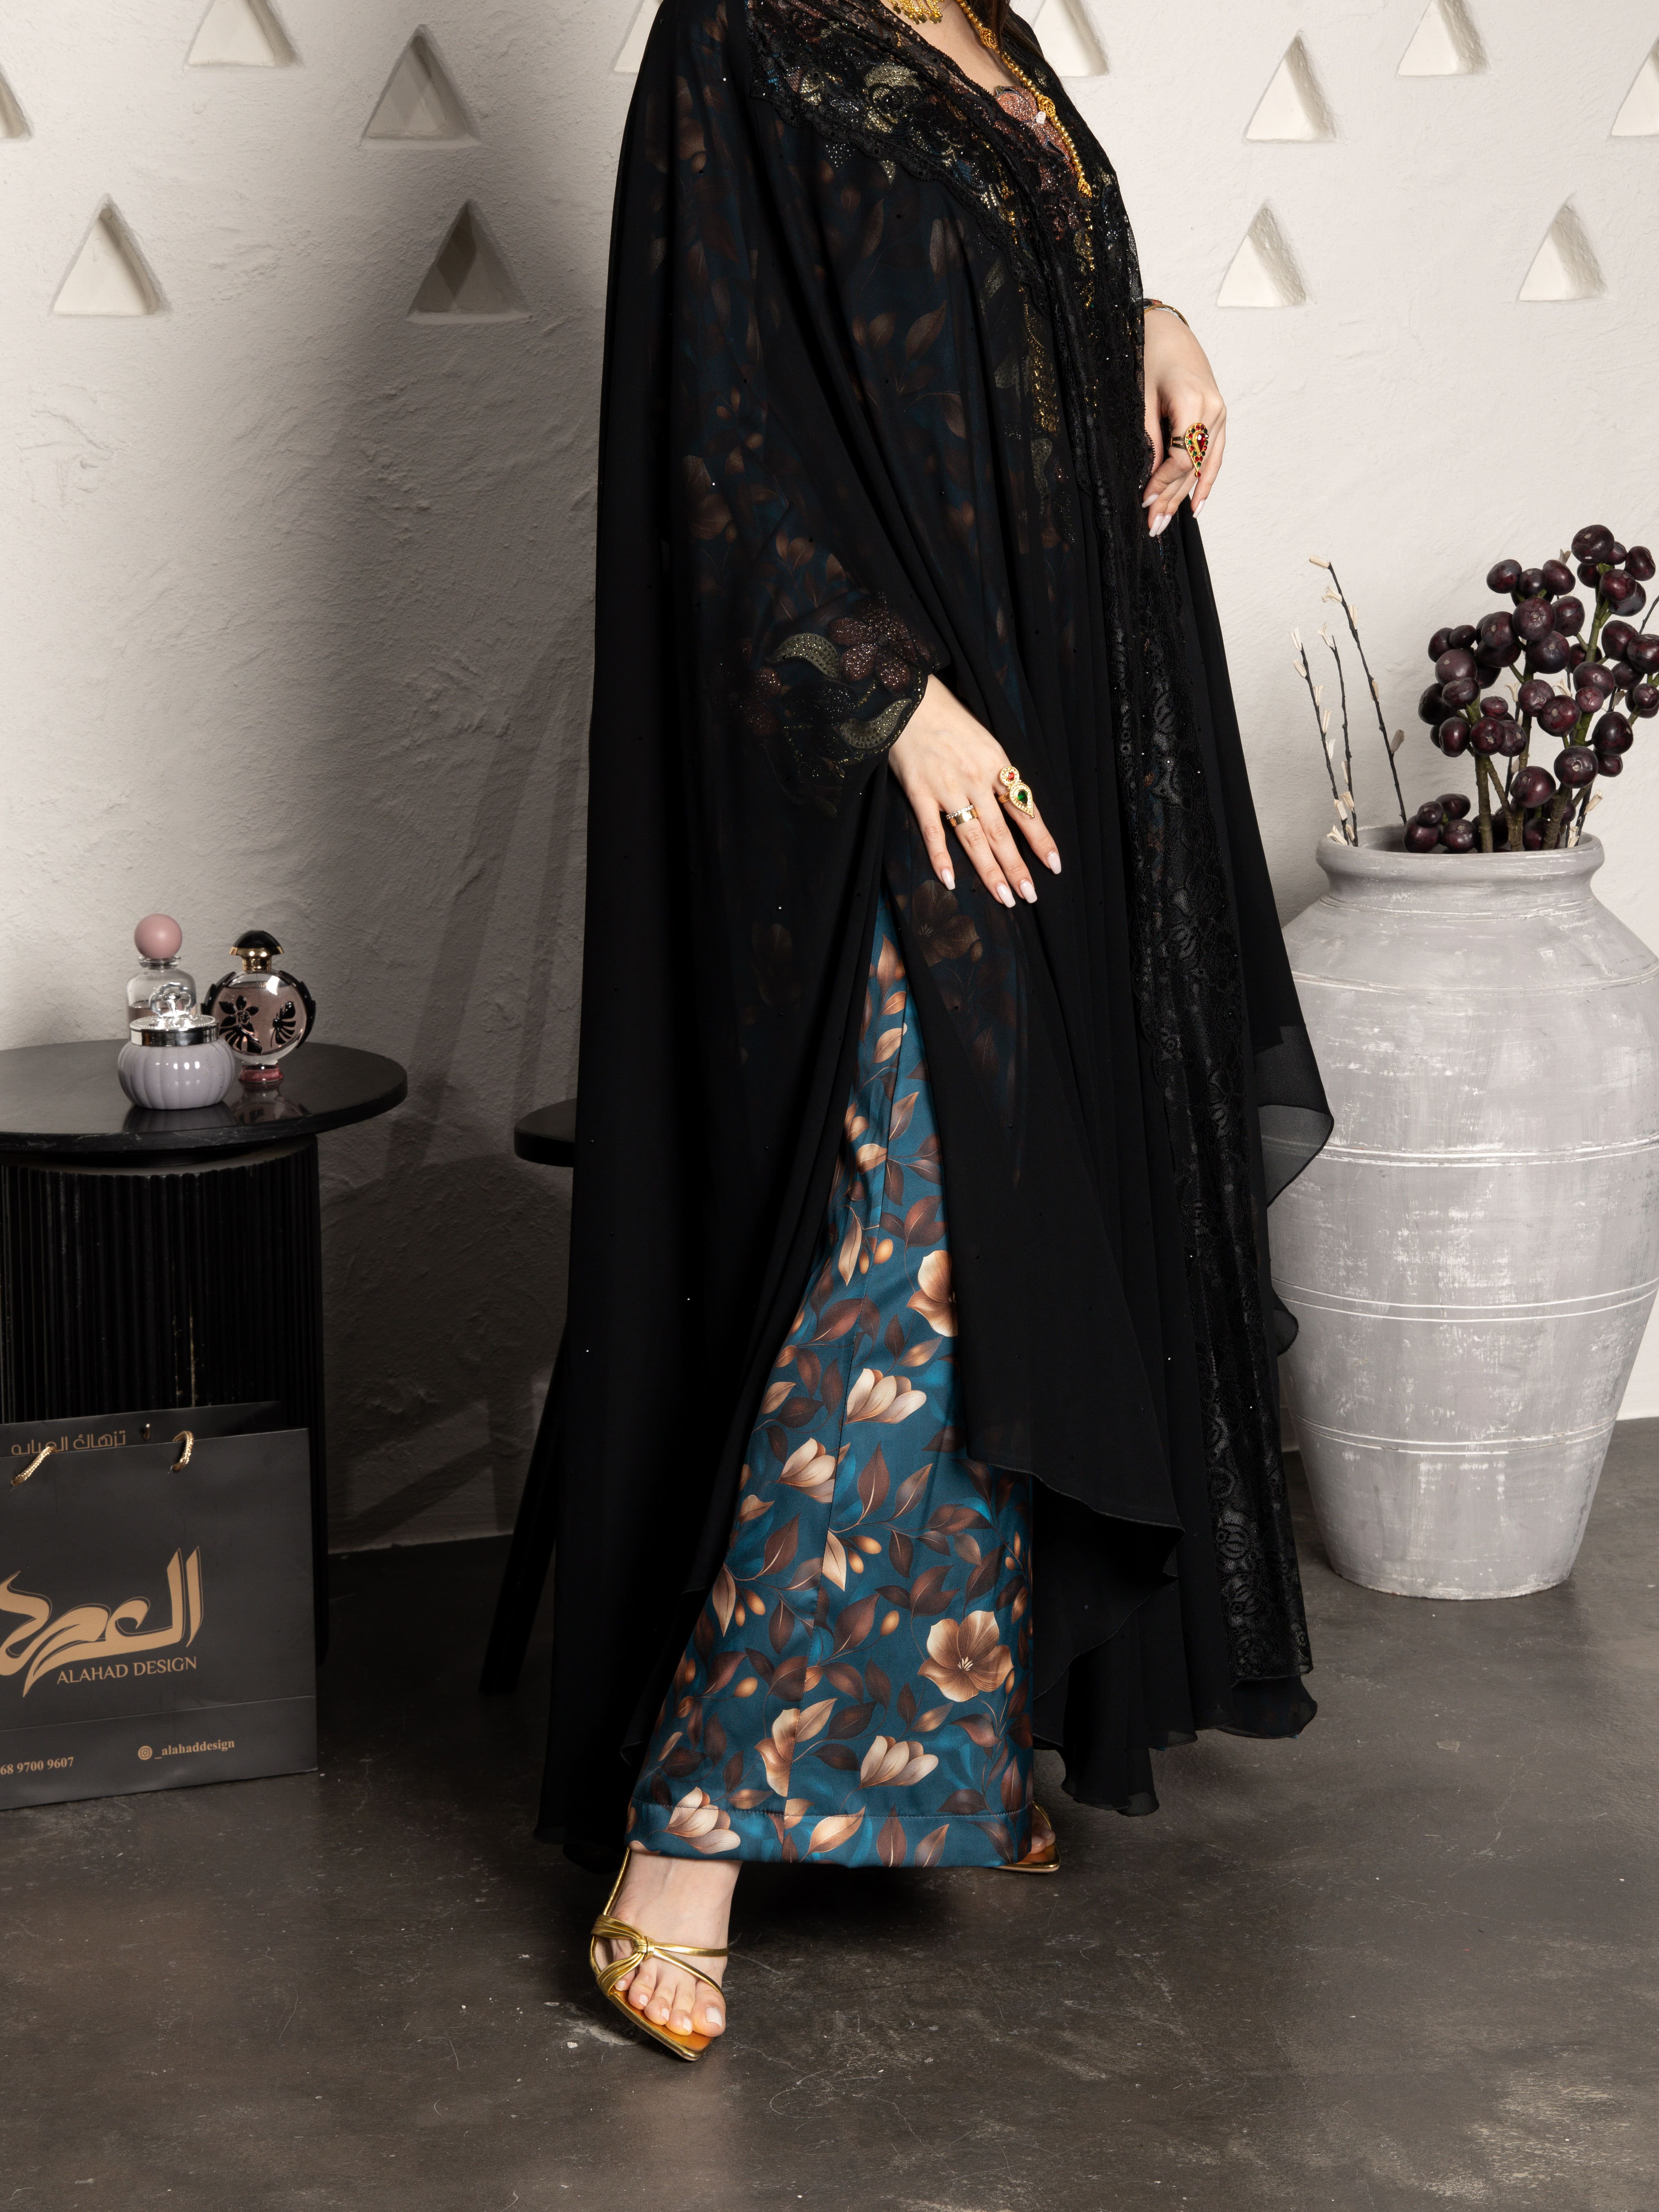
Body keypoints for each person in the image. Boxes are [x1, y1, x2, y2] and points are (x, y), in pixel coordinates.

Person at [540, 0, 1333, 2059]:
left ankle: (938, 1739)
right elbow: (716, 418)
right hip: (881, 755)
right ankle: (688, 1839)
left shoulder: (980, 27)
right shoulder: (741, 38)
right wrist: (885, 701)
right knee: (909, 1244)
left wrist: (1141, 314)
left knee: (1022, 1229)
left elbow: (970, 292)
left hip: (1048, 710)